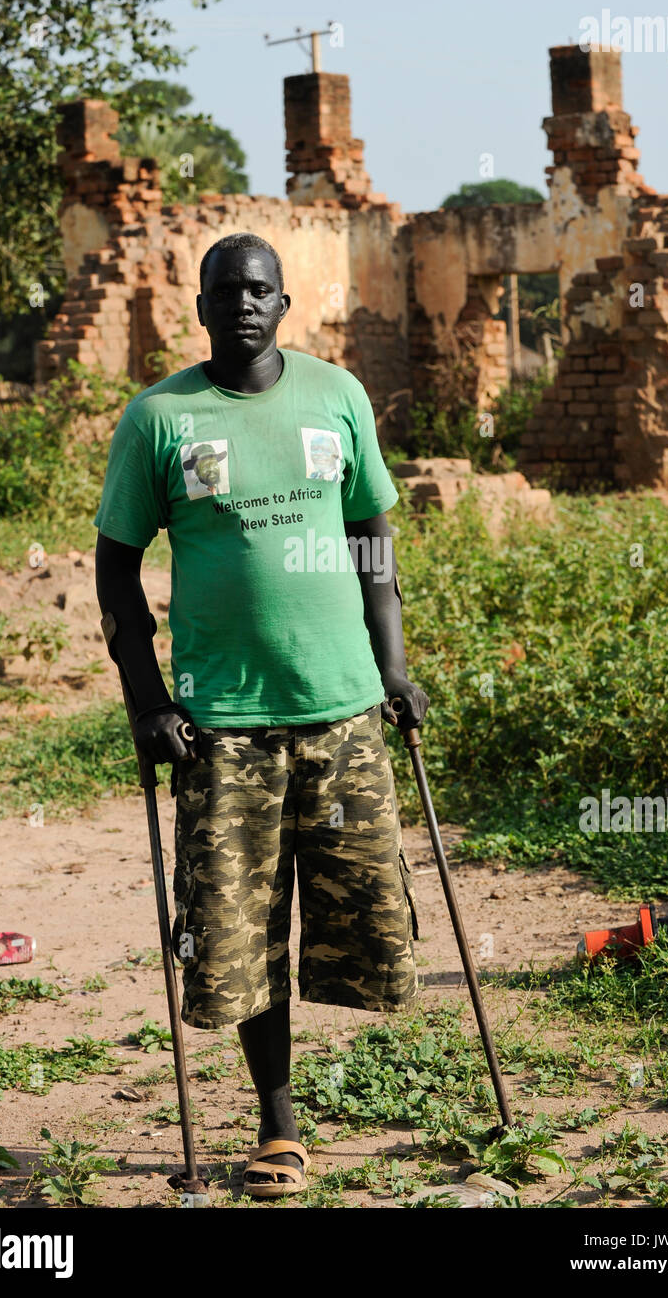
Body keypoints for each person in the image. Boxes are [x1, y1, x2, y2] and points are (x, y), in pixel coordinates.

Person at [94, 231, 429, 1200]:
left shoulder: (337, 397)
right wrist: (147, 699)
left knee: (369, 916)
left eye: (259, 290)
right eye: (224, 291)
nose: (242, 303)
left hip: (341, 709)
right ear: (200, 307)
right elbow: (117, 565)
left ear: (284, 304)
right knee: (237, 937)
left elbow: (373, 543)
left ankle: (380, 1089)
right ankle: (277, 1124)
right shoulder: (159, 418)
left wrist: (393, 670)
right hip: (222, 724)